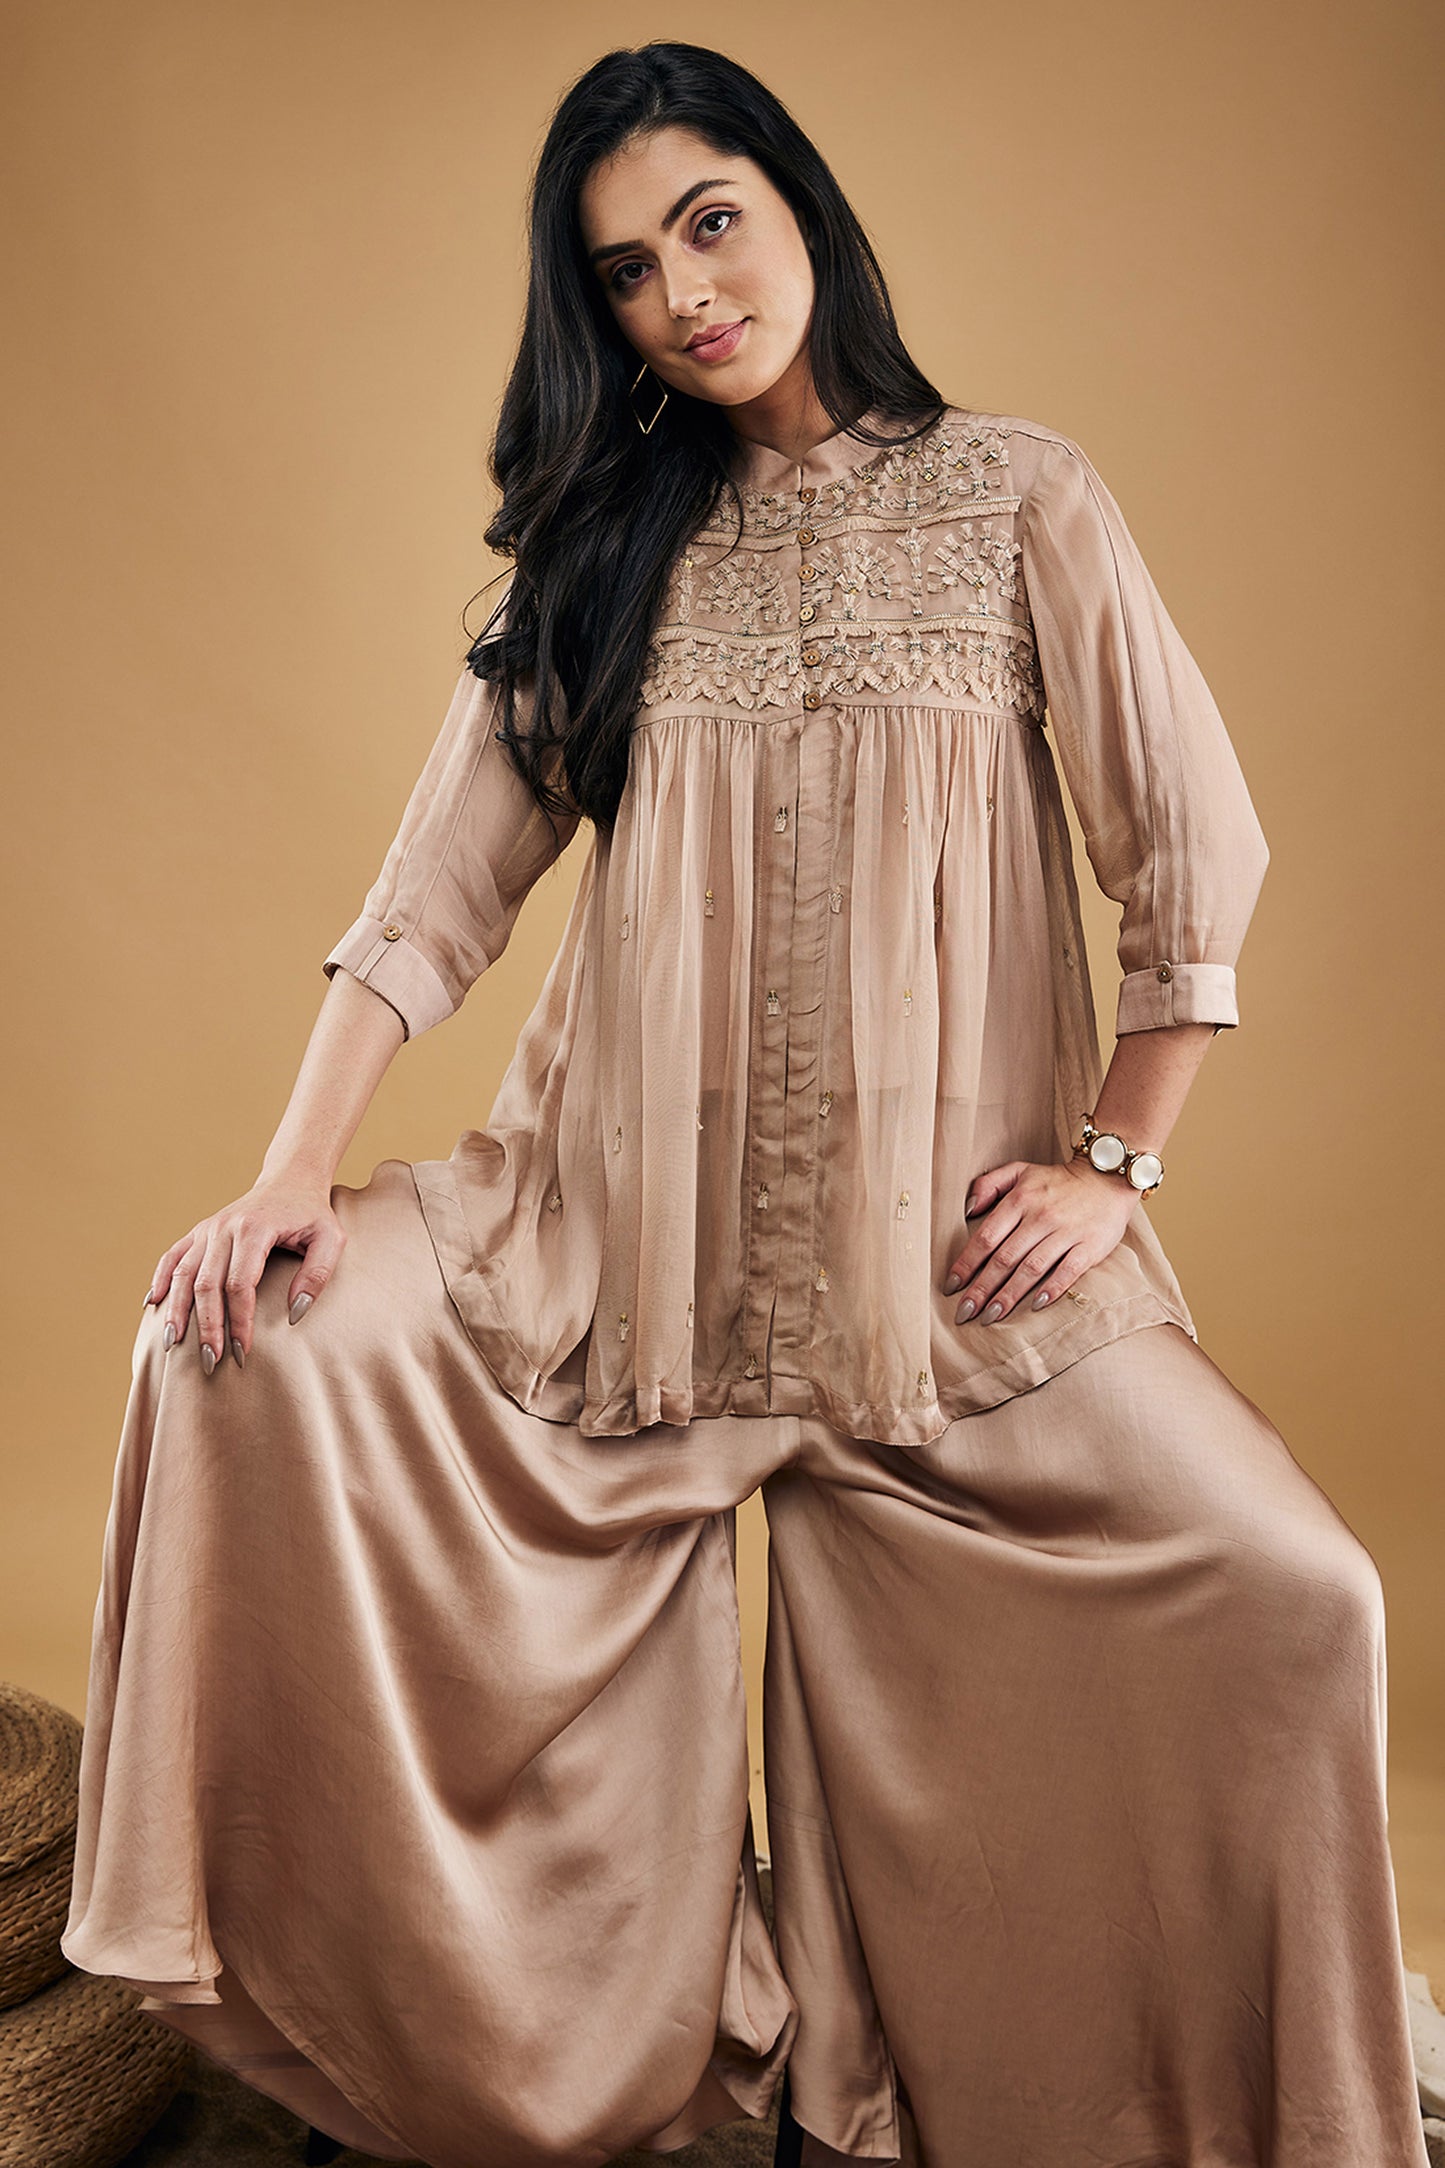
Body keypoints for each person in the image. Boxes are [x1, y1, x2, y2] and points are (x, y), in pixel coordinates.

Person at [60, 39, 1429, 2168]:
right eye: (624, 271)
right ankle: (458, 2028)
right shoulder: (609, 549)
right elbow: (430, 899)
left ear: (798, 205)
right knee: (221, 1349)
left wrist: (1110, 1162)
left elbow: (1192, 855)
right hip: (616, 1267)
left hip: (951, 1293)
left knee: (1297, 1593)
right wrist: (285, 1174)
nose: (683, 294)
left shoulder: (1020, 498)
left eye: (708, 224)